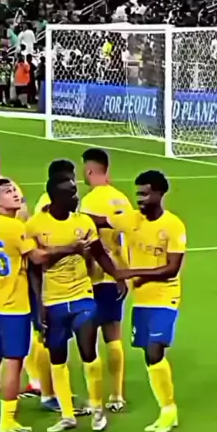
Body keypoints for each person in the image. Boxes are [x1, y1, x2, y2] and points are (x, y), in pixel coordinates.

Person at [91, 170, 186, 432]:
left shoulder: (173, 226)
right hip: (142, 299)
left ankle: (168, 410)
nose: (141, 199)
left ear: (160, 194)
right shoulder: (131, 219)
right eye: (138, 194)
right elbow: (99, 221)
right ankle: (166, 410)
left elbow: (171, 268)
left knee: (155, 350)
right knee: (148, 354)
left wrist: (131, 273)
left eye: (145, 194)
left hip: (165, 296)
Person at [24, 175, 120, 432]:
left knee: (89, 350)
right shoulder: (35, 226)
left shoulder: (83, 222)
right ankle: (67, 415)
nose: (76, 197)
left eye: (76, 191)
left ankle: (97, 410)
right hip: (53, 300)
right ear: (55, 196)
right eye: (70, 193)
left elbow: (99, 252)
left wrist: (118, 276)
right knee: (58, 357)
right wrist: (40, 306)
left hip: (82, 295)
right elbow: (35, 267)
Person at [0, 178, 47, 432]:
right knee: (13, 362)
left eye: (14, 189)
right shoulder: (17, 228)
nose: (15, 193)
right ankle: (7, 421)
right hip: (14, 307)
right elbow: (36, 257)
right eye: (8, 192)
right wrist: (69, 248)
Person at [80, 148, 133, 411]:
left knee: (89, 339)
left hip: (96, 276)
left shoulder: (89, 202)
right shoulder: (123, 199)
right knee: (113, 335)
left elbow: (88, 242)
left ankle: (95, 400)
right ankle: (117, 395)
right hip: (119, 275)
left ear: (89, 170)